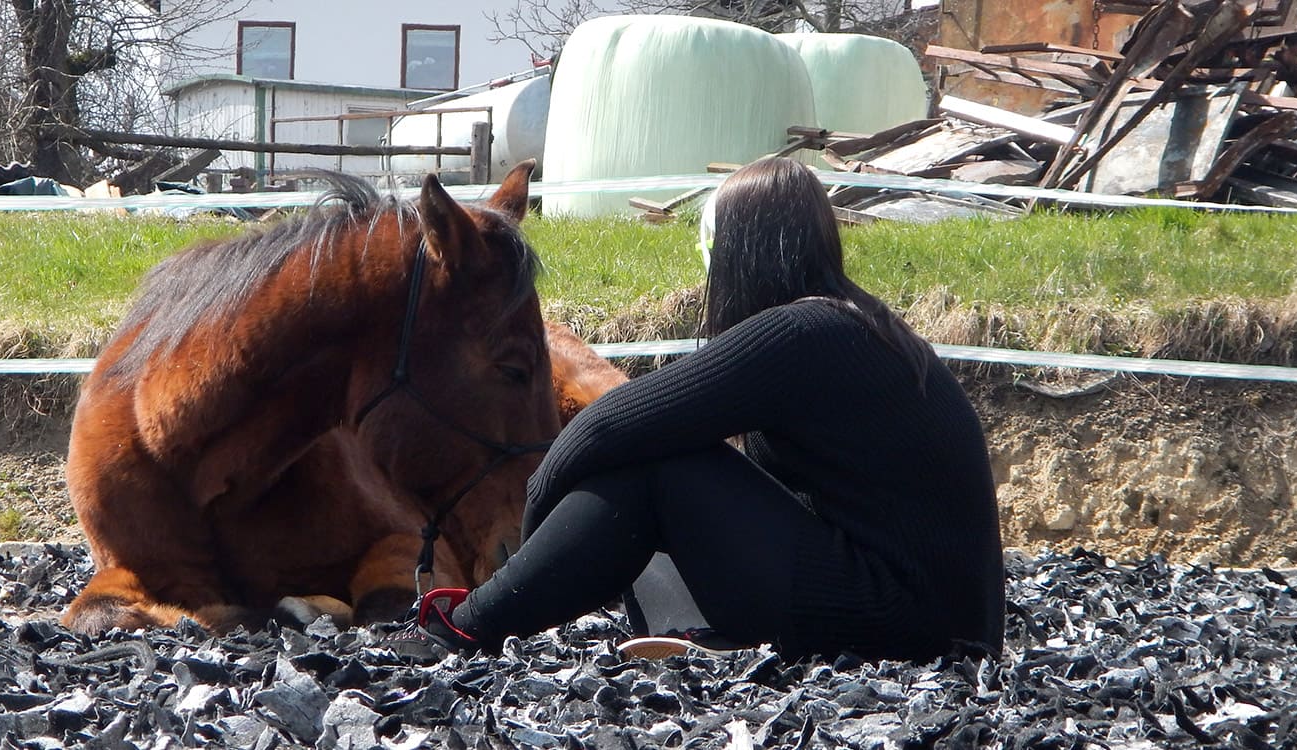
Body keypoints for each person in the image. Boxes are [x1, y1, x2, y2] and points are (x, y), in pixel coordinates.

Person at [388, 156, 1005, 663]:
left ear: (735, 255)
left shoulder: (803, 334)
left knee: (657, 466)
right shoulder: (856, 327)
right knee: (665, 465)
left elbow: (609, 424)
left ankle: (459, 629)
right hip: (934, 620)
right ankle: (686, 634)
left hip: (906, 626)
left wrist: (534, 528)